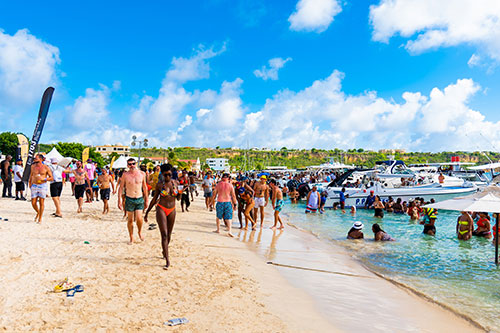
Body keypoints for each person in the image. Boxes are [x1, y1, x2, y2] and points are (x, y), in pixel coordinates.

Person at [144, 164, 180, 269]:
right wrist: (147, 212)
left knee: (169, 234)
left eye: (169, 174)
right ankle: (168, 260)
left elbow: (178, 198)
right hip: (161, 209)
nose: (168, 177)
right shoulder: (160, 185)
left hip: (172, 210)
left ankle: (164, 250)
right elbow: (154, 199)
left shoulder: (175, 183)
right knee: (164, 234)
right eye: (165, 175)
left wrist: (180, 193)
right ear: (162, 174)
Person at [118, 158, 148, 244]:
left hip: (139, 198)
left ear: (136, 164)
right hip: (129, 198)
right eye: (130, 164)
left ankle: (139, 231)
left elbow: (144, 187)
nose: (132, 166)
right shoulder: (125, 175)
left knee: (139, 218)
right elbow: (121, 188)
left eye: (133, 164)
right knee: (130, 220)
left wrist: (146, 200)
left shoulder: (142, 174)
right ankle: (131, 237)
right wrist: (119, 201)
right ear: (127, 165)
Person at [28, 154, 53, 223]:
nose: (34, 159)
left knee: (41, 203)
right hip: (34, 185)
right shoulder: (32, 166)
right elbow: (31, 175)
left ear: (41, 159)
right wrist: (30, 183)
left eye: (36, 158)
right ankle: (38, 212)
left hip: (42, 185)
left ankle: (40, 218)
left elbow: (51, 178)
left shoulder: (46, 167)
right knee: (33, 203)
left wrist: (44, 178)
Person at [212, 173, 237, 237]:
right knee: (229, 217)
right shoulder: (230, 185)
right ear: (228, 178)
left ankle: (218, 229)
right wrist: (235, 204)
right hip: (228, 202)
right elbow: (233, 196)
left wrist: (211, 202)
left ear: (222, 178)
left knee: (218, 216)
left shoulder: (218, 185)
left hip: (220, 201)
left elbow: (214, 194)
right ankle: (230, 231)